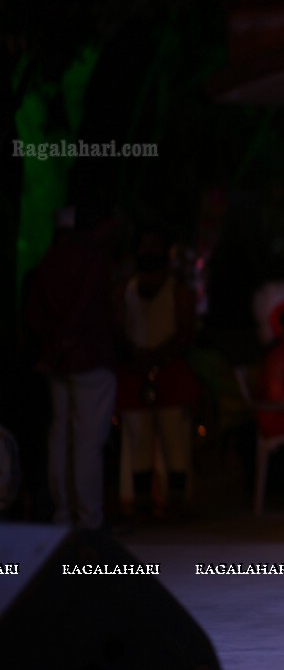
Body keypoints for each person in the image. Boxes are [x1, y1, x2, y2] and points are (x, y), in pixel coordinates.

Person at [23, 205, 117, 529]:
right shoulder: (91, 259)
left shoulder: (48, 262)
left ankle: (64, 514)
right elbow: (88, 307)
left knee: (61, 436)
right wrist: (69, 339)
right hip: (87, 359)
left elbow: (34, 315)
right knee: (87, 441)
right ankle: (88, 518)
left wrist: (54, 345)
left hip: (57, 361)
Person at [116, 226, 199, 519]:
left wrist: (158, 355)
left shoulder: (178, 291)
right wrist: (135, 355)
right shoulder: (126, 291)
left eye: (155, 245)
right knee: (138, 439)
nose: (149, 251)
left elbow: (186, 331)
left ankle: (177, 500)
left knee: (174, 438)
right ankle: (140, 502)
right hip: (135, 373)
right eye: (144, 245)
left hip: (169, 371)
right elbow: (118, 327)